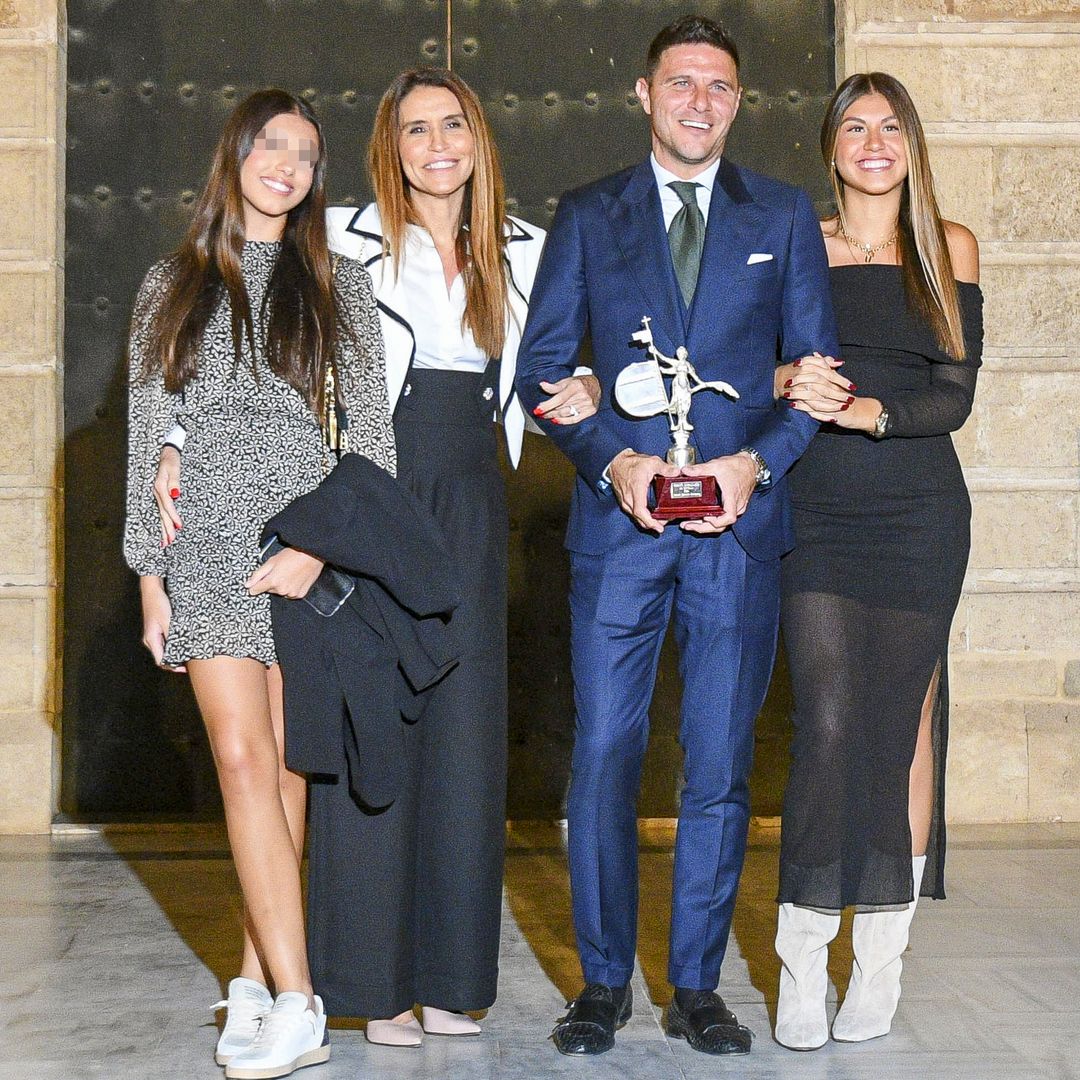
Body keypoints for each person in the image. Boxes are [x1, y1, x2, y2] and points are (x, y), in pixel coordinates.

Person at [154, 67, 599, 1047]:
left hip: (473, 497)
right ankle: (371, 985)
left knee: (466, 742)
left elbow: (569, 364)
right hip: (368, 494)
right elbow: (238, 342)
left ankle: (449, 980)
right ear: (387, 151)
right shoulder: (341, 237)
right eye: (413, 131)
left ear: (479, 139)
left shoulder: (528, 251)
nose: (436, 145)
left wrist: (594, 396)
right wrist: (185, 446)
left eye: (453, 126)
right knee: (370, 734)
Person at [515, 15, 837, 1057]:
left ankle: (696, 984)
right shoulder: (588, 215)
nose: (699, 101)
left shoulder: (783, 217)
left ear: (737, 104)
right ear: (646, 94)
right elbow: (543, 375)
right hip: (621, 532)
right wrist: (617, 459)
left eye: (720, 87)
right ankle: (602, 981)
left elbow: (816, 384)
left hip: (736, 535)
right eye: (681, 83)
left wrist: (757, 463)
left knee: (719, 764)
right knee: (606, 752)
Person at [124, 88, 395, 1079]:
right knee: (240, 765)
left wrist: (327, 549)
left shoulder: (341, 284)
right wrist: (149, 578)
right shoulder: (174, 280)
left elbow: (373, 443)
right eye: (271, 143)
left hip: (303, 545)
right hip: (203, 544)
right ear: (235, 152)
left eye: (306, 153)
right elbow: (145, 434)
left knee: (287, 777)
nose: (287, 163)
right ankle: (298, 998)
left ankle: (254, 977)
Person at [772, 72, 982, 1051]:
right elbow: (749, 367)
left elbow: (951, 396)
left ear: (912, 143)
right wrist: (783, 377)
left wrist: (866, 409)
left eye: (889, 125)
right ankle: (803, 960)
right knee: (829, 717)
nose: (872, 140)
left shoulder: (950, 250)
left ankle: (881, 962)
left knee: (900, 731)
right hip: (816, 506)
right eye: (854, 125)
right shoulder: (795, 246)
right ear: (831, 147)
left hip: (919, 513)